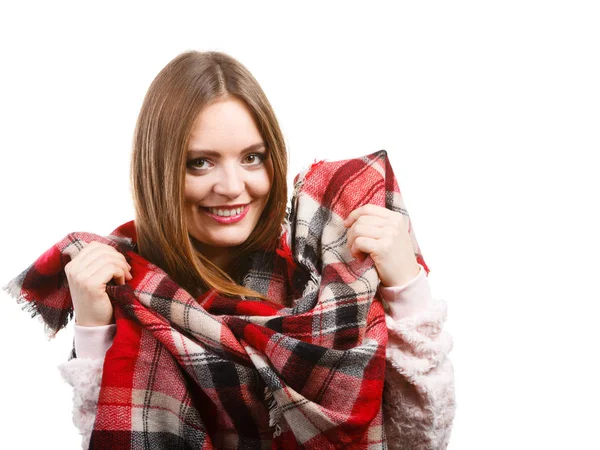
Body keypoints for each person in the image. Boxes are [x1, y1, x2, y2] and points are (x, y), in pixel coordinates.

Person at [16, 51, 455, 449]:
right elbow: (116, 437)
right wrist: (94, 332)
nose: (231, 188)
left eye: (252, 158)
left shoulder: (328, 264)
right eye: (200, 162)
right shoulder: (130, 286)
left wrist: (407, 287)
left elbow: (419, 440)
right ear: (158, 169)